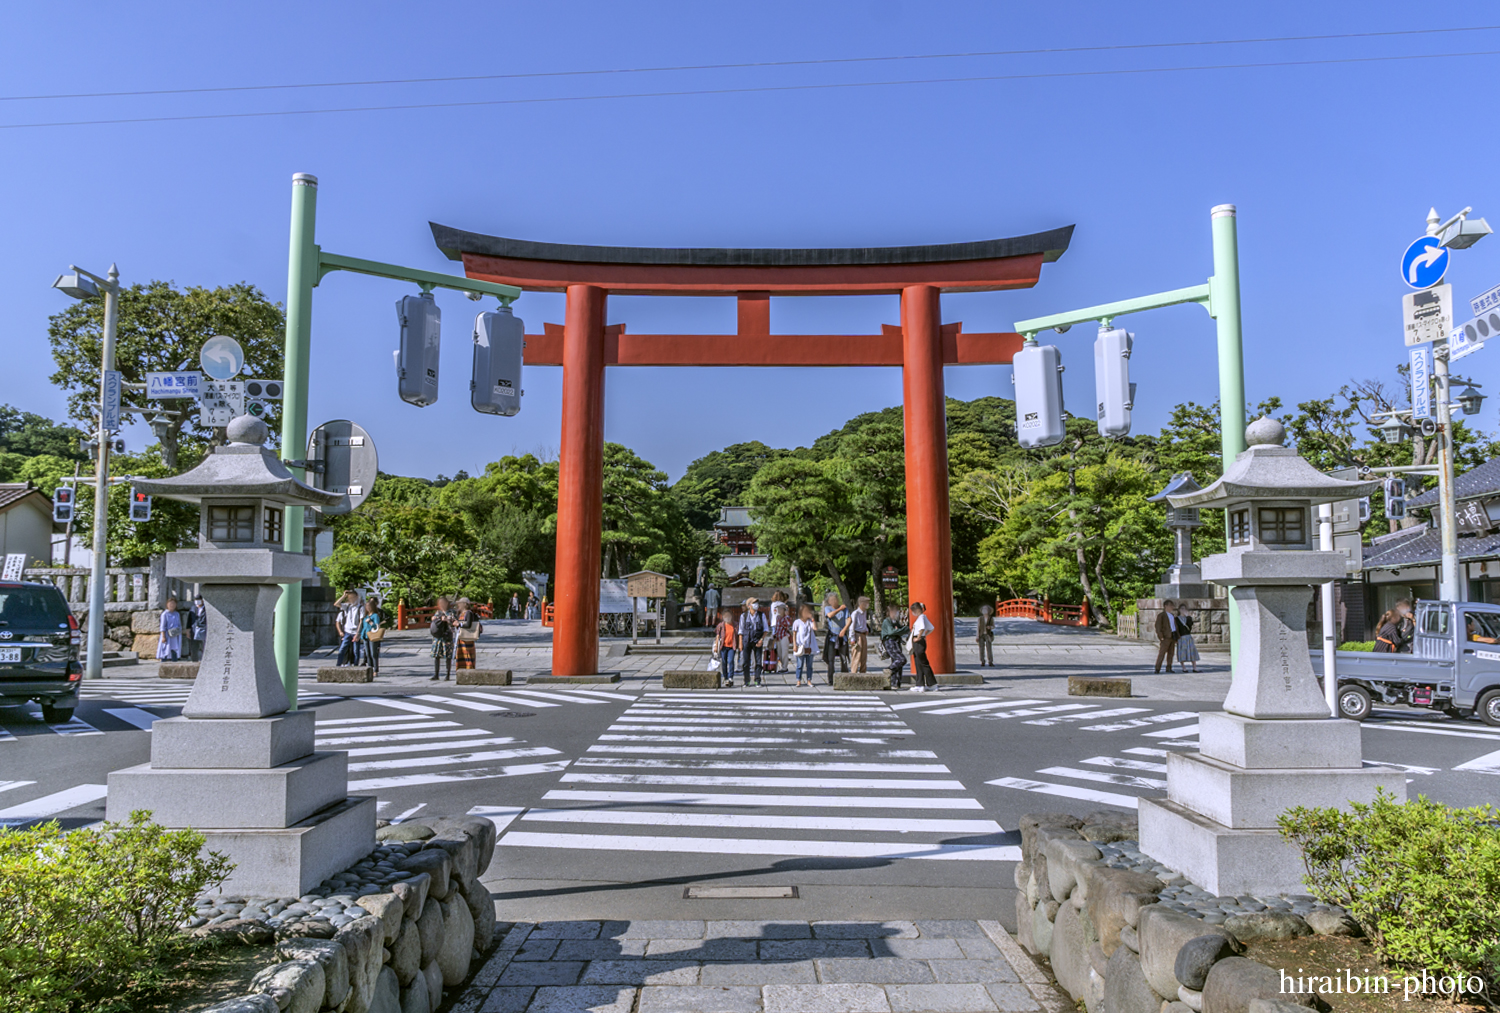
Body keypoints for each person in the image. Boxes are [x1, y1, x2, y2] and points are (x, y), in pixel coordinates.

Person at [907, 601, 937, 691]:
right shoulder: (924, 617)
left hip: (918, 641)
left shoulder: (921, 617)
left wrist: (919, 637)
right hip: (921, 640)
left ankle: (931, 684)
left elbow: (922, 628)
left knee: (923, 663)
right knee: (919, 663)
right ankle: (921, 684)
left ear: (916, 610)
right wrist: (924, 636)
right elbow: (931, 628)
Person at [738, 597, 768, 687]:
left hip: (757, 639)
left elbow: (766, 629)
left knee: (758, 662)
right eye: (754, 603)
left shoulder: (761, 615)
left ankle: (757, 680)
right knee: (746, 662)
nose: (756, 605)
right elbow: (740, 631)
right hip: (747, 640)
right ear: (749, 605)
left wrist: (762, 639)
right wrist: (740, 643)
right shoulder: (744, 616)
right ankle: (746, 680)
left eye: (757, 603)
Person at [881, 604, 909, 690]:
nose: (896, 613)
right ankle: (889, 670)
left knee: (898, 662)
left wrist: (901, 630)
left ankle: (895, 683)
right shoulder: (887, 621)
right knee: (901, 659)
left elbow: (902, 629)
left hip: (896, 642)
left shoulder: (895, 622)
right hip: (890, 642)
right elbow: (891, 632)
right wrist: (900, 630)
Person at [823, 593, 848, 681]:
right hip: (832, 637)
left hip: (842, 637)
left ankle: (845, 678)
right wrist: (839, 609)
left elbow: (849, 620)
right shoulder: (828, 608)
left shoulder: (844, 609)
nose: (834, 601)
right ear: (829, 602)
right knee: (831, 660)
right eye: (832, 600)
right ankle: (831, 679)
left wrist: (844, 629)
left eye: (835, 599)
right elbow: (830, 615)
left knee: (844, 659)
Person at [791, 603, 818, 687]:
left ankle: (809, 679)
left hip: (809, 646)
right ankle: (798, 680)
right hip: (800, 645)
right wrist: (794, 645)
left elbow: (815, 628)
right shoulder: (797, 622)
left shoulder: (809, 622)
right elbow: (794, 634)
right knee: (799, 664)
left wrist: (812, 619)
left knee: (809, 665)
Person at [430, 596, 456, 680]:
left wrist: (448, 620)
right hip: (438, 636)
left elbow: (454, 623)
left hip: (447, 636)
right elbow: (434, 621)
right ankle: (436, 674)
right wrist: (435, 619)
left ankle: (447, 674)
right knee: (437, 656)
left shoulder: (451, 612)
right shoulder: (438, 612)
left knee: (448, 656)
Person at [335, 590, 363, 666]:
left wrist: (358, 633)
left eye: (353, 597)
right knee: (342, 649)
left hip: (355, 631)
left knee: (355, 650)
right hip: (347, 631)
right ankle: (339, 664)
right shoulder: (347, 606)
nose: (352, 600)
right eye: (350, 598)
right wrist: (344, 596)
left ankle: (355, 664)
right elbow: (336, 604)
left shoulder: (360, 608)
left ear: (357, 597)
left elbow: (361, 621)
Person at [845, 596, 872, 673]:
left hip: (863, 634)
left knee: (864, 655)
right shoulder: (855, 613)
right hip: (857, 635)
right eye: (866, 603)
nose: (868, 604)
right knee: (857, 654)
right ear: (862, 603)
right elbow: (852, 627)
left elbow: (864, 622)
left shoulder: (864, 613)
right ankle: (854, 672)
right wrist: (852, 638)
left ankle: (863, 671)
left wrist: (866, 629)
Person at [714, 607, 740, 687]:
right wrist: (716, 646)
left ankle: (730, 677)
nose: (727, 617)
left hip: (732, 646)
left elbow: (739, 635)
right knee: (724, 662)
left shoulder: (735, 625)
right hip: (723, 646)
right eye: (725, 615)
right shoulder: (721, 625)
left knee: (731, 661)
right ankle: (725, 677)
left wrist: (740, 644)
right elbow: (718, 636)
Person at [359, 597, 384, 675]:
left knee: (373, 653)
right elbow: (363, 627)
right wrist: (360, 635)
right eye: (367, 607)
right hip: (366, 636)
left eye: (369, 607)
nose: (368, 608)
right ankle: (369, 668)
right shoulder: (366, 616)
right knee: (367, 653)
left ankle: (375, 669)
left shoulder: (375, 615)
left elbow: (376, 626)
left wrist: (370, 622)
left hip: (373, 636)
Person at [770, 590, 793, 673]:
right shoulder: (781, 607)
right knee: (779, 650)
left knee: (783, 651)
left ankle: (784, 667)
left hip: (782, 632)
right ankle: (781, 664)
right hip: (777, 631)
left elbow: (787, 625)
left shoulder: (773, 605)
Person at [1153, 600, 1179, 674]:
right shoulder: (1162, 615)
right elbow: (1158, 626)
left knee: (1171, 653)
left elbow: (1174, 626)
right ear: (1166, 606)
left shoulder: (1172, 615)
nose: (1172, 607)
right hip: (1165, 637)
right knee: (1162, 653)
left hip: (1172, 636)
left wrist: (1177, 636)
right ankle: (1157, 668)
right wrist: (1160, 636)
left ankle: (1169, 667)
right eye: (1170, 605)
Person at [454, 597, 481, 670]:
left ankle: (469, 671)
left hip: (467, 638)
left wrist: (459, 624)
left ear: (465, 604)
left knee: (467, 656)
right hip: (461, 638)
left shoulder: (468, 613)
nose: (459, 605)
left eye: (460, 603)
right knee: (461, 656)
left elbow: (468, 625)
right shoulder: (460, 613)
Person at [157, 596, 183, 661]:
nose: (172, 605)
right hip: (167, 635)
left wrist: (178, 631)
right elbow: (162, 626)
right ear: (167, 604)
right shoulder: (164, 614)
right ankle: (164, 663)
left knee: (174, 649)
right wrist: (163, 636)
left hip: (175, 634)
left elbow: (179, 624)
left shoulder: (177, 614)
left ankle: (174, 663)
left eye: (174, 604)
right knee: (165, 649)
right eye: (170, 604)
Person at [1175, 608, 1200, 673]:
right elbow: (1176, 628)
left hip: (1188, 637)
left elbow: (1190, 626)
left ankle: (1194, 667)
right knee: (1182, 652)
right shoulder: (1176, 619)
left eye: (1185, 609)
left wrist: (1188, 616)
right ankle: (1184, 668)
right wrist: (1176, 637)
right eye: (1182, 609)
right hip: (1181, 637)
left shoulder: (1188, 618)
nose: (1184, 610)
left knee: (1192, 651)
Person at [187, 594, 208, 662]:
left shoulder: (206, 609)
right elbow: (189, 619)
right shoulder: (193, 608)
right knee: (194, 647)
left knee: (203, 646)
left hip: (203, 630)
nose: (197, 602)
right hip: (194, 630)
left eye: (199, 600)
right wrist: (188, 630)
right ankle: (194, 660)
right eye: (196, 600)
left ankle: (204, 660)